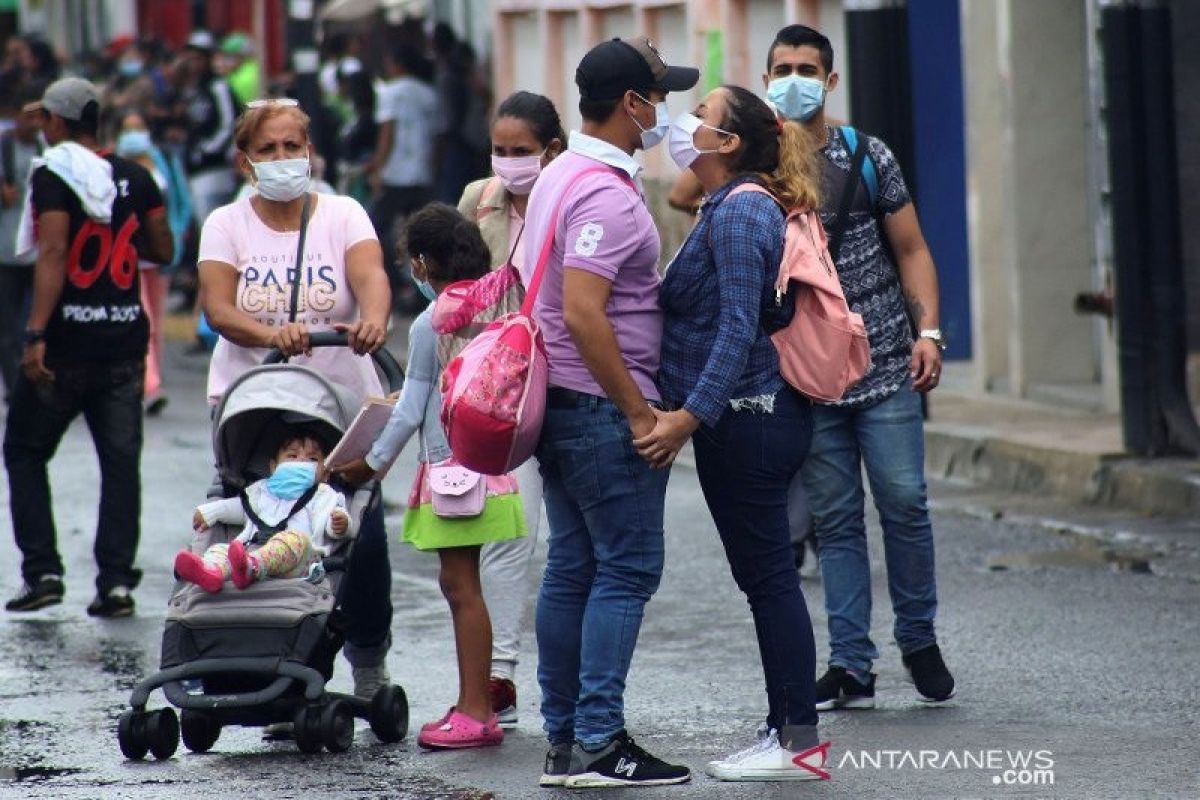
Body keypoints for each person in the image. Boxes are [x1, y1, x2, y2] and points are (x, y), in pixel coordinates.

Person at [639, 85, 830, 781]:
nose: (686, 125)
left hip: (750, 418)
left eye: (703, 117)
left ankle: (797, 742)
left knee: (771, 579)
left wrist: (690, 416)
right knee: (765, 578)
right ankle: (787, 726)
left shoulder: (744, 211)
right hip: (743, 419)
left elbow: (738, 326)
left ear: (729, 144)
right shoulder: (724, 205)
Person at [524, 36, 698, 789]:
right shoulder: (604, 194)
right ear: (632, 104)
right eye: (658, 98)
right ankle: (599, 740)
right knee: (624, 570)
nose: (664, 112)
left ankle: (565, 740)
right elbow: (586, 312)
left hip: (559, 408)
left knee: (574, 566)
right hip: (598, 410)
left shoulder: (559, 175)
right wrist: (637, 412)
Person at [768, 24, 955, 708]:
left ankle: (919, 637)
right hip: (808, 378)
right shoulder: (758, 166)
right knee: (837, 519)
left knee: (904, 502)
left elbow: (911, 248)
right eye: (783, 67)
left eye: (807, 67)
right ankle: (851, 665)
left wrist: (927, 331)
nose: (795, 78)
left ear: (831, 79)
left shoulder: (866, 154)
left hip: (883, 369)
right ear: (766, 80)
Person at [196, 98, 395, 700]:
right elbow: (219, 307)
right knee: (261, 533)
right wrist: (269, 335)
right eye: (268, 149)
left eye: (292, 147)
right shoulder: (227, 224)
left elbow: (371, 278)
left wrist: (374, 320)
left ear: (309, 151)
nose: (282, 158)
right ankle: (265, 660)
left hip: (337, 409)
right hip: (253, 410)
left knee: (356, 541)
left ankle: (368, 662)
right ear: (245, 161)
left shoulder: (343, 213)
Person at [335, 203, 527, 750]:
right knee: (463, 587)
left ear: (421, 264)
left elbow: (414, 405)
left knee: (461, 589)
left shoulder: (431, 320)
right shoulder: (498, 300)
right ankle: (476, 704)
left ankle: (475, 711)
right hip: (494, 465)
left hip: (453, 472)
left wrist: (370, 462)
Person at [3, 77, 174, 617]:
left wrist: (34, 334)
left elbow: (52, 252)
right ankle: (117, 584)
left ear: (57, 123)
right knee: (121, 465)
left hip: (66, 348)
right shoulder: (136, 177)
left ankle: (44, 571)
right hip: (123, 342)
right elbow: (164, 247)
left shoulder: (55, 177)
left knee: (25, 451)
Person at [456, 89, 564, 729]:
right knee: (509, 529)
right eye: (499, 150)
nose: (508, 162)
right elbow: (454, 286)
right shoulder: (480, 200)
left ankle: (570, 679)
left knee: (567, 540)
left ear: (551, 149)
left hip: (571, 377)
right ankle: (501, 674)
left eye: (520, 151)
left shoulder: (576, 193)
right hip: (502, 390)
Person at [175, 430, 354, 592]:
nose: (301, 462)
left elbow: (332, 519)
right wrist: (210, 512)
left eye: (312, 459)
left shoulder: (323, 494)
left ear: (325, 473)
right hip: (251, 552)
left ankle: (251, 568)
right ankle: (211, 573)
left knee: (292, 539)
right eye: (292, 456)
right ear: (274, 467)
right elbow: (241, 508)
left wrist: (340, 523)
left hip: (299, 563)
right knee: (221, 549)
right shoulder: (261, 491)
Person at [113, 109, 193, 415]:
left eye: (138, 126)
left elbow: (181, 202)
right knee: (143, 320)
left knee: (156, 324)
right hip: (128, 257)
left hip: (159, 257)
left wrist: (178, 232)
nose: (134, 133)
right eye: (128, 127)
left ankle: (147, 378)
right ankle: (149, 384)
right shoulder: (112, 167)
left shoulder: (165, 162)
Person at [364, 43, 437, 301]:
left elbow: (388, 133)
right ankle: (421, 289)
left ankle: (393, 284)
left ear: (396, 64)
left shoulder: (390, 92)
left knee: (373, 228)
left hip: (396, 173)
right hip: (422, 172)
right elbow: (436, 135)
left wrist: (377, 166)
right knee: (421, 233)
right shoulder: (428, 93)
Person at [0, 89, 42, 402]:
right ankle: (15, 387)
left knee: (38, 322)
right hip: (6, 251)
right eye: (28, 117)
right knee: (9, 324)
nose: (33, 124)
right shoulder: (5, 149)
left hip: (40, 252)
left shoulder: (46, 148)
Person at [181, 30, 237, 226]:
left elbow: (229, 123)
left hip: (216, 167)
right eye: (190, 58)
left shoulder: (218, 86)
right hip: (195, 169)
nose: (192, 63)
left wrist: (207, 149)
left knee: (213, 225)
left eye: (197, 58)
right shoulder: (193, 89)